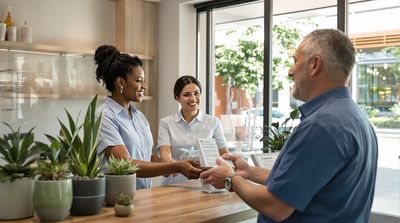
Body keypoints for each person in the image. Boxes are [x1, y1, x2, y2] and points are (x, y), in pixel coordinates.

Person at [200, 29, 378, 222]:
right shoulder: (356, 118)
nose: (290, 71)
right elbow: (303, 183)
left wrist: (230, 179)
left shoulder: (320, 127)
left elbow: (276, 206)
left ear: (315, 65)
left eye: (295, 61)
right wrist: (250, 172)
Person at [94, 45, 202, 189]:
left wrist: (172, 165)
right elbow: (126, 164)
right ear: (121, 82)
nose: (144, 86)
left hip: (143, 196)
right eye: (139, 80)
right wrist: (175, 167)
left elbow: (145, 156)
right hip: (117, 199)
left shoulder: (139, 116)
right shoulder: (104, 116)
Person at [157, 75, 229, 185]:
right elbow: (165, 152)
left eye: (196, 93)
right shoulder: (166, 123)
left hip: (206, 182)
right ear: (177, 97)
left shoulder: (213, 122)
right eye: (187, 95)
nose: (193, 98)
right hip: (174, 184)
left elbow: (223, 152)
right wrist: (170, 164)